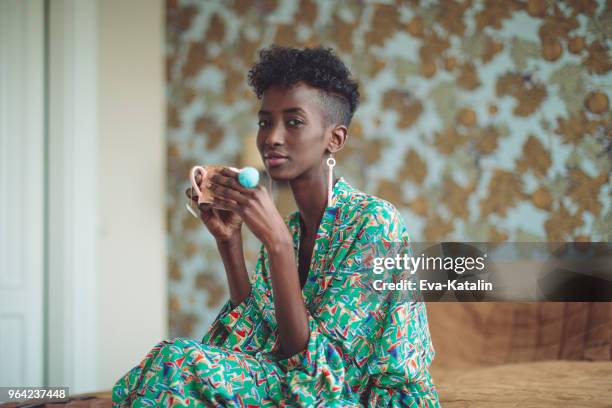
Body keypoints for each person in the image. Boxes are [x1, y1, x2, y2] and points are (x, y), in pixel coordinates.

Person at [112, 45, 439, 407]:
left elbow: (319, 376)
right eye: (265, 121)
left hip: (360, 397)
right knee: (172, 361)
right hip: (299, 386)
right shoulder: (293, 231)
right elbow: (257, 341)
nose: (272, 137)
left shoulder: (376, 224)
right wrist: (230, 242)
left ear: (335, 138)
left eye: (293, 121)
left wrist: (278, 245)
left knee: (178, 365)